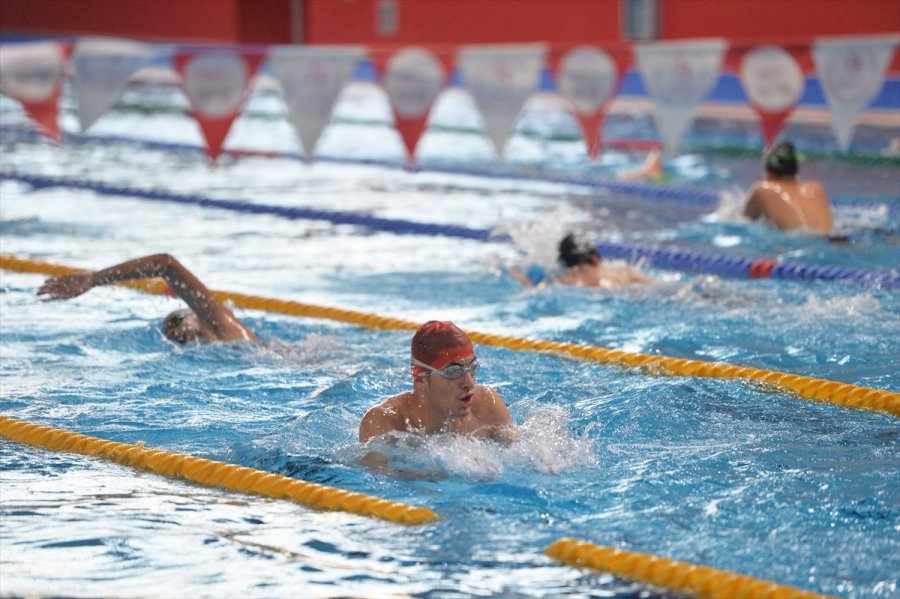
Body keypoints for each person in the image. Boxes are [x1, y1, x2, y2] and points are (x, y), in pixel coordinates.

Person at [359, 321, 515, 473]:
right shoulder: (385, 424)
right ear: (421, 379)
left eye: (472, 367)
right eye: (453, 371)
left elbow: (520, 459)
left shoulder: (487, 405)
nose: (469, 382)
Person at [37, 253, 256, 344]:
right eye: (167, 333)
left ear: (195, 313)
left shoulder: (222, 324)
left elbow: (165, 264)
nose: (172, 332)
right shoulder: (214, 345)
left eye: (175, 321)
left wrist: (94, 279)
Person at [743, 141, 834, 234]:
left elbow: (745, 221)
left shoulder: (762, 189)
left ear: (768, 172)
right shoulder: (816, 188)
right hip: (836, 239)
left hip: (801, 242)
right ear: (795, 170)